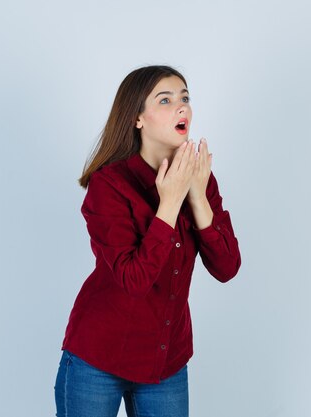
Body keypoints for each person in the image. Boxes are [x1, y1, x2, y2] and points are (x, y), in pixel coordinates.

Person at [54, 65, 241, 417]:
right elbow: (134, 280)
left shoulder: (199, 177)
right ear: (137, 118)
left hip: (164, 361)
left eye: (185, 98)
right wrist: (169, 202)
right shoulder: (109, 185)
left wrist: (198, 197)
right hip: (99, 356)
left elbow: (227, 267)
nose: (182, 107)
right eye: (166, 100)